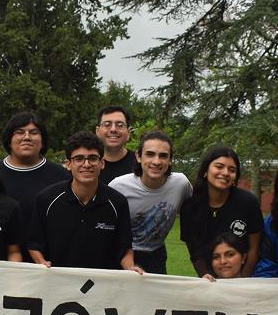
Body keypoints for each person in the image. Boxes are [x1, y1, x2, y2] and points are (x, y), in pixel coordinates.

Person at [28, 132, 141, 272]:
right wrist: (42, 264)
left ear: (102, 163)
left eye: (93, 158)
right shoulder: (47, 199)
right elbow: (34, 244)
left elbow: (124, 248)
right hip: (58, 284)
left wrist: (130, 268)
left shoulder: (117, 202)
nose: (86, 164)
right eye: (79, 159)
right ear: (68, 164)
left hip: (102, 285)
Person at [109, 130, 192, 274]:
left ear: (171, 159)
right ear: (138, 156)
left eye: (163, 156)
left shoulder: (181, 184)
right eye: (150, 154)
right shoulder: (118, 186)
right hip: (121, 254)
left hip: (156, 254)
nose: (156, 161)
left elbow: (194, 215)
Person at [179, 146, 263, 278]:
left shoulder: (248, 203)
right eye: (219, 166)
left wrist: (242, 280)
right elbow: (195, 252)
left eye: (232, 170)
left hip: (244, 278)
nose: (225, 173)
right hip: (209, 281)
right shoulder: (190, 207)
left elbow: (254, 250)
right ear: (206, 171)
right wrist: (205, 275)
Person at [0, 111, 70, 240]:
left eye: (34, 132)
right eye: (19, 132)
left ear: (42, 141)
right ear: (9, 140)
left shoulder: (62, 176)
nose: (27, 137)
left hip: (46, 256)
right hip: (0, 256)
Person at [95, 105, 138, 184]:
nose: (113, 129)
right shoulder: (87, 165)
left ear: (128, 132)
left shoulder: (140, 164)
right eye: (107, 124)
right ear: (97, 131)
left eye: (120, 125)